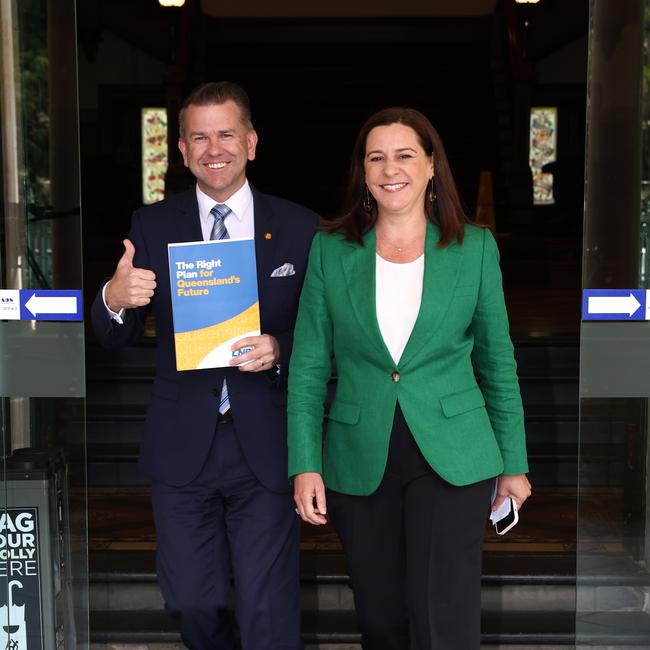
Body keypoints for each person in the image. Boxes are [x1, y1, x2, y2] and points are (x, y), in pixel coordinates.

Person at [288, 107, 531, 650]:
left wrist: (513, 464)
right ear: (364, 173)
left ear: (429, 167)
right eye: (376, 157)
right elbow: (307, 368)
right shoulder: (331, 250)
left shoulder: (475, 249)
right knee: (379, 617)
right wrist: (305, 463)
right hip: (358, 454)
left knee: (442, 617)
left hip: (454, 454)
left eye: (404, 155)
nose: (389, 167)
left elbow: (498, 364)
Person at [92, 81, 319, 650]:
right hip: (182, 444)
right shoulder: (152, 225)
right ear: (183, 151)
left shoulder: (300, 228)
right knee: (191, 601)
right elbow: (110, 337)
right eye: (199, 137)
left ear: (251, 141)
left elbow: (329, 333)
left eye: (225, 134)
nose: (213, 148)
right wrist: (114, 299)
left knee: (268, 610)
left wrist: (280, 348)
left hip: (265, 442)